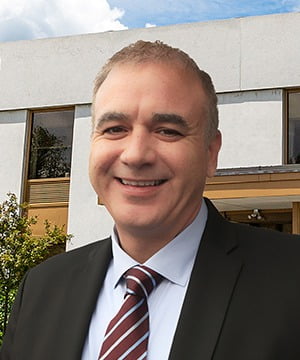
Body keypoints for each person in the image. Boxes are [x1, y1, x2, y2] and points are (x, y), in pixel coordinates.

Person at [1, 40, 300, 360]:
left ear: (211, 152)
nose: (136, 155)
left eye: (168, 131)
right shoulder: (41, 289)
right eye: (115, 129)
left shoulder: (291, 280)